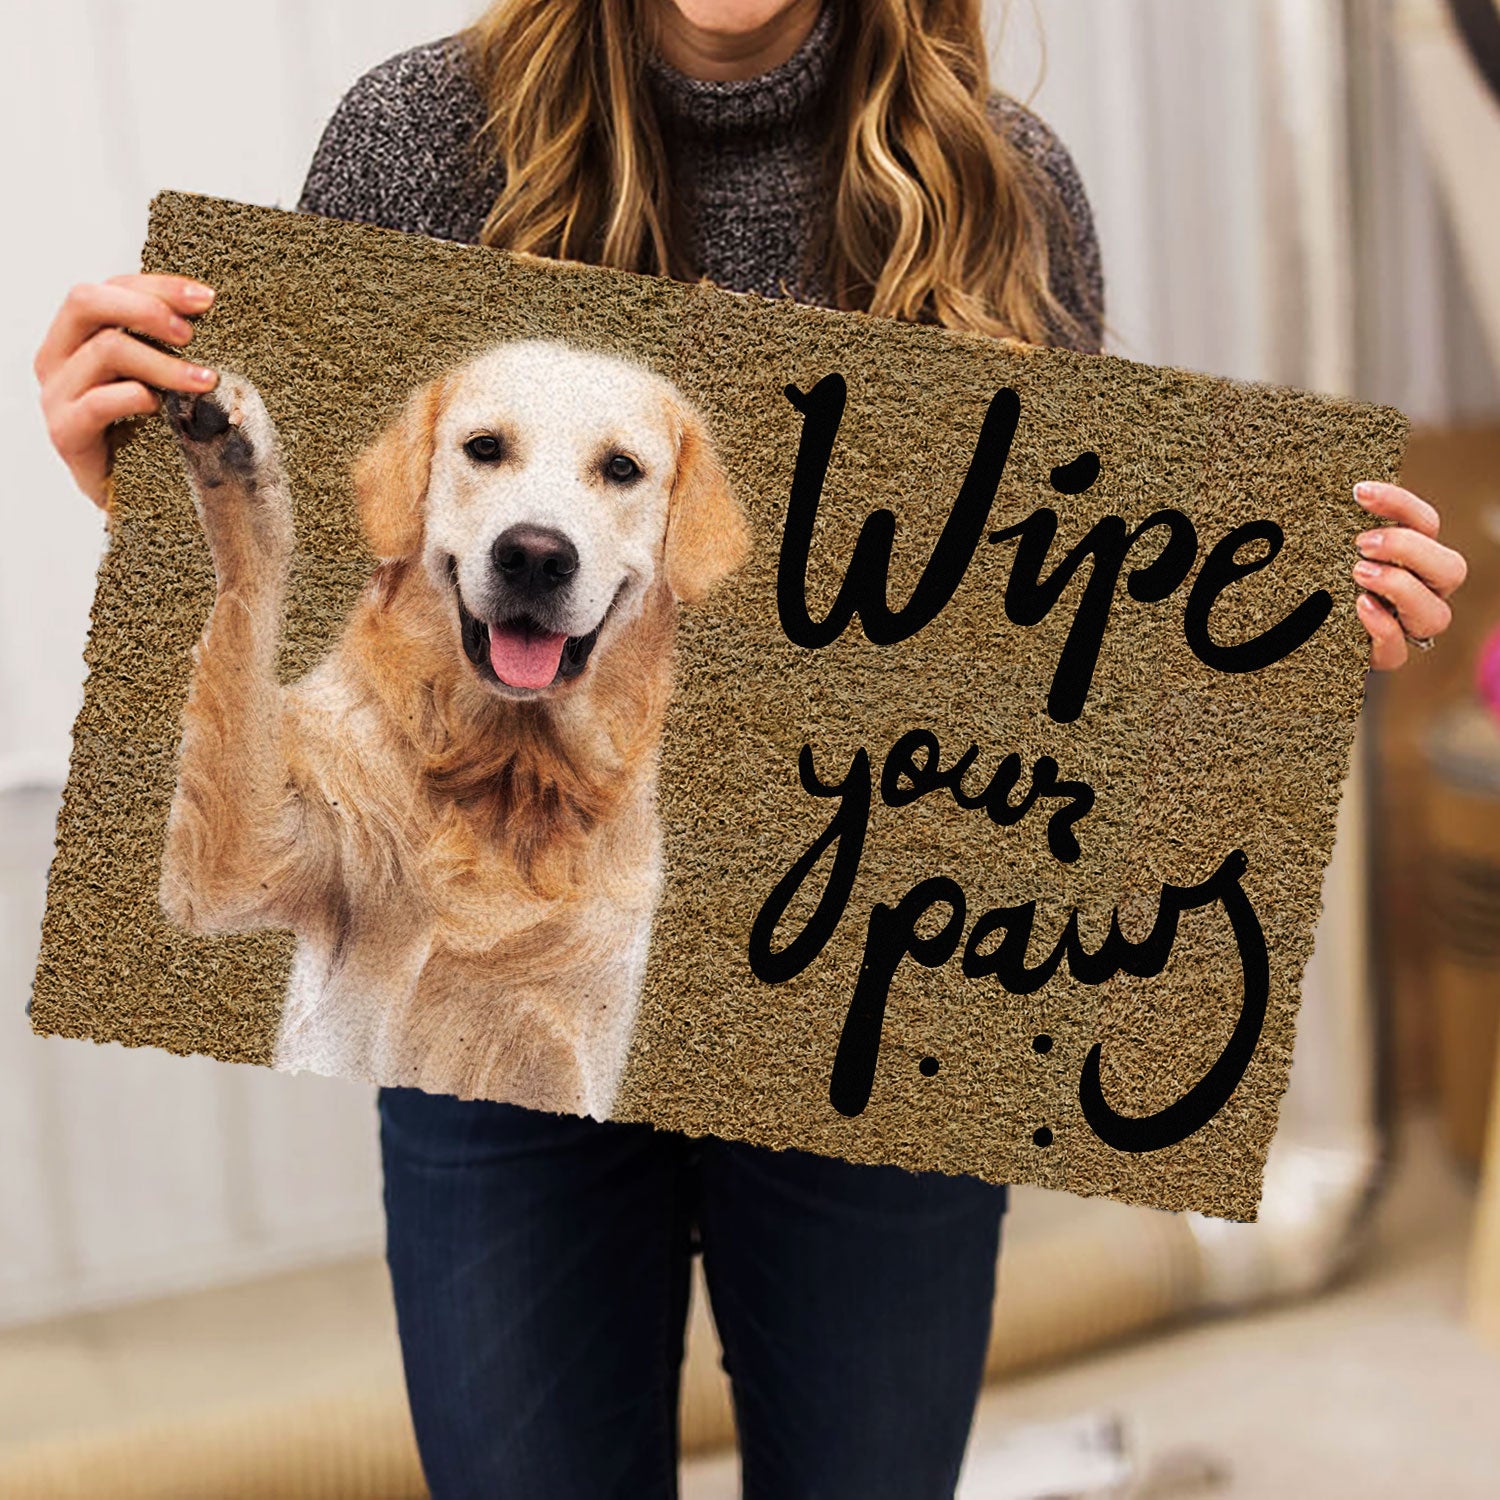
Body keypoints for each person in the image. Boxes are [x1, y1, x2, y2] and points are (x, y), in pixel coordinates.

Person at [31, 3, 1470, 1496]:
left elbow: (1040, 676)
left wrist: (1256, 640)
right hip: (491, 1015)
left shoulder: (1001, 185)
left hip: (874, 1028)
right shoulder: (416, 141)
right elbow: (353, 581)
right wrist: (161, 498)